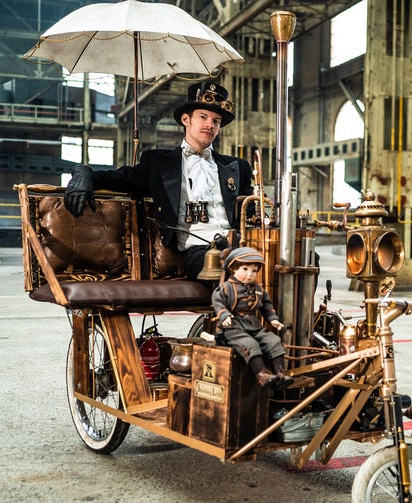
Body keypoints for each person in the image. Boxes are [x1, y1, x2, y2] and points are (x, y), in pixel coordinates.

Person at [63, 80, 254, 280]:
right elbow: (116, 178)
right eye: (203, 117)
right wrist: (82, 173)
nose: (210, 125)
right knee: (231, 270)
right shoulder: (158, 164)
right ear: (185, 120)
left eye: (216, 121)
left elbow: (250, 213)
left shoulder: (237, 167)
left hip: (238, 246)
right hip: (198, 251)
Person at [211, 247, 293, 389]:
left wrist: (272, 319)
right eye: (245, 269)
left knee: (273, 340)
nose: (249, 274)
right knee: (250, 344)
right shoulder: (226, 288)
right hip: (233, 328)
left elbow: (266, 306)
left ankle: (280, 373)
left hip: (253, 326)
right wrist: (224, 315)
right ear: (234, 269)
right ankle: (262, 375)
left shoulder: (258, 289)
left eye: (254, 271)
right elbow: (218, 302)